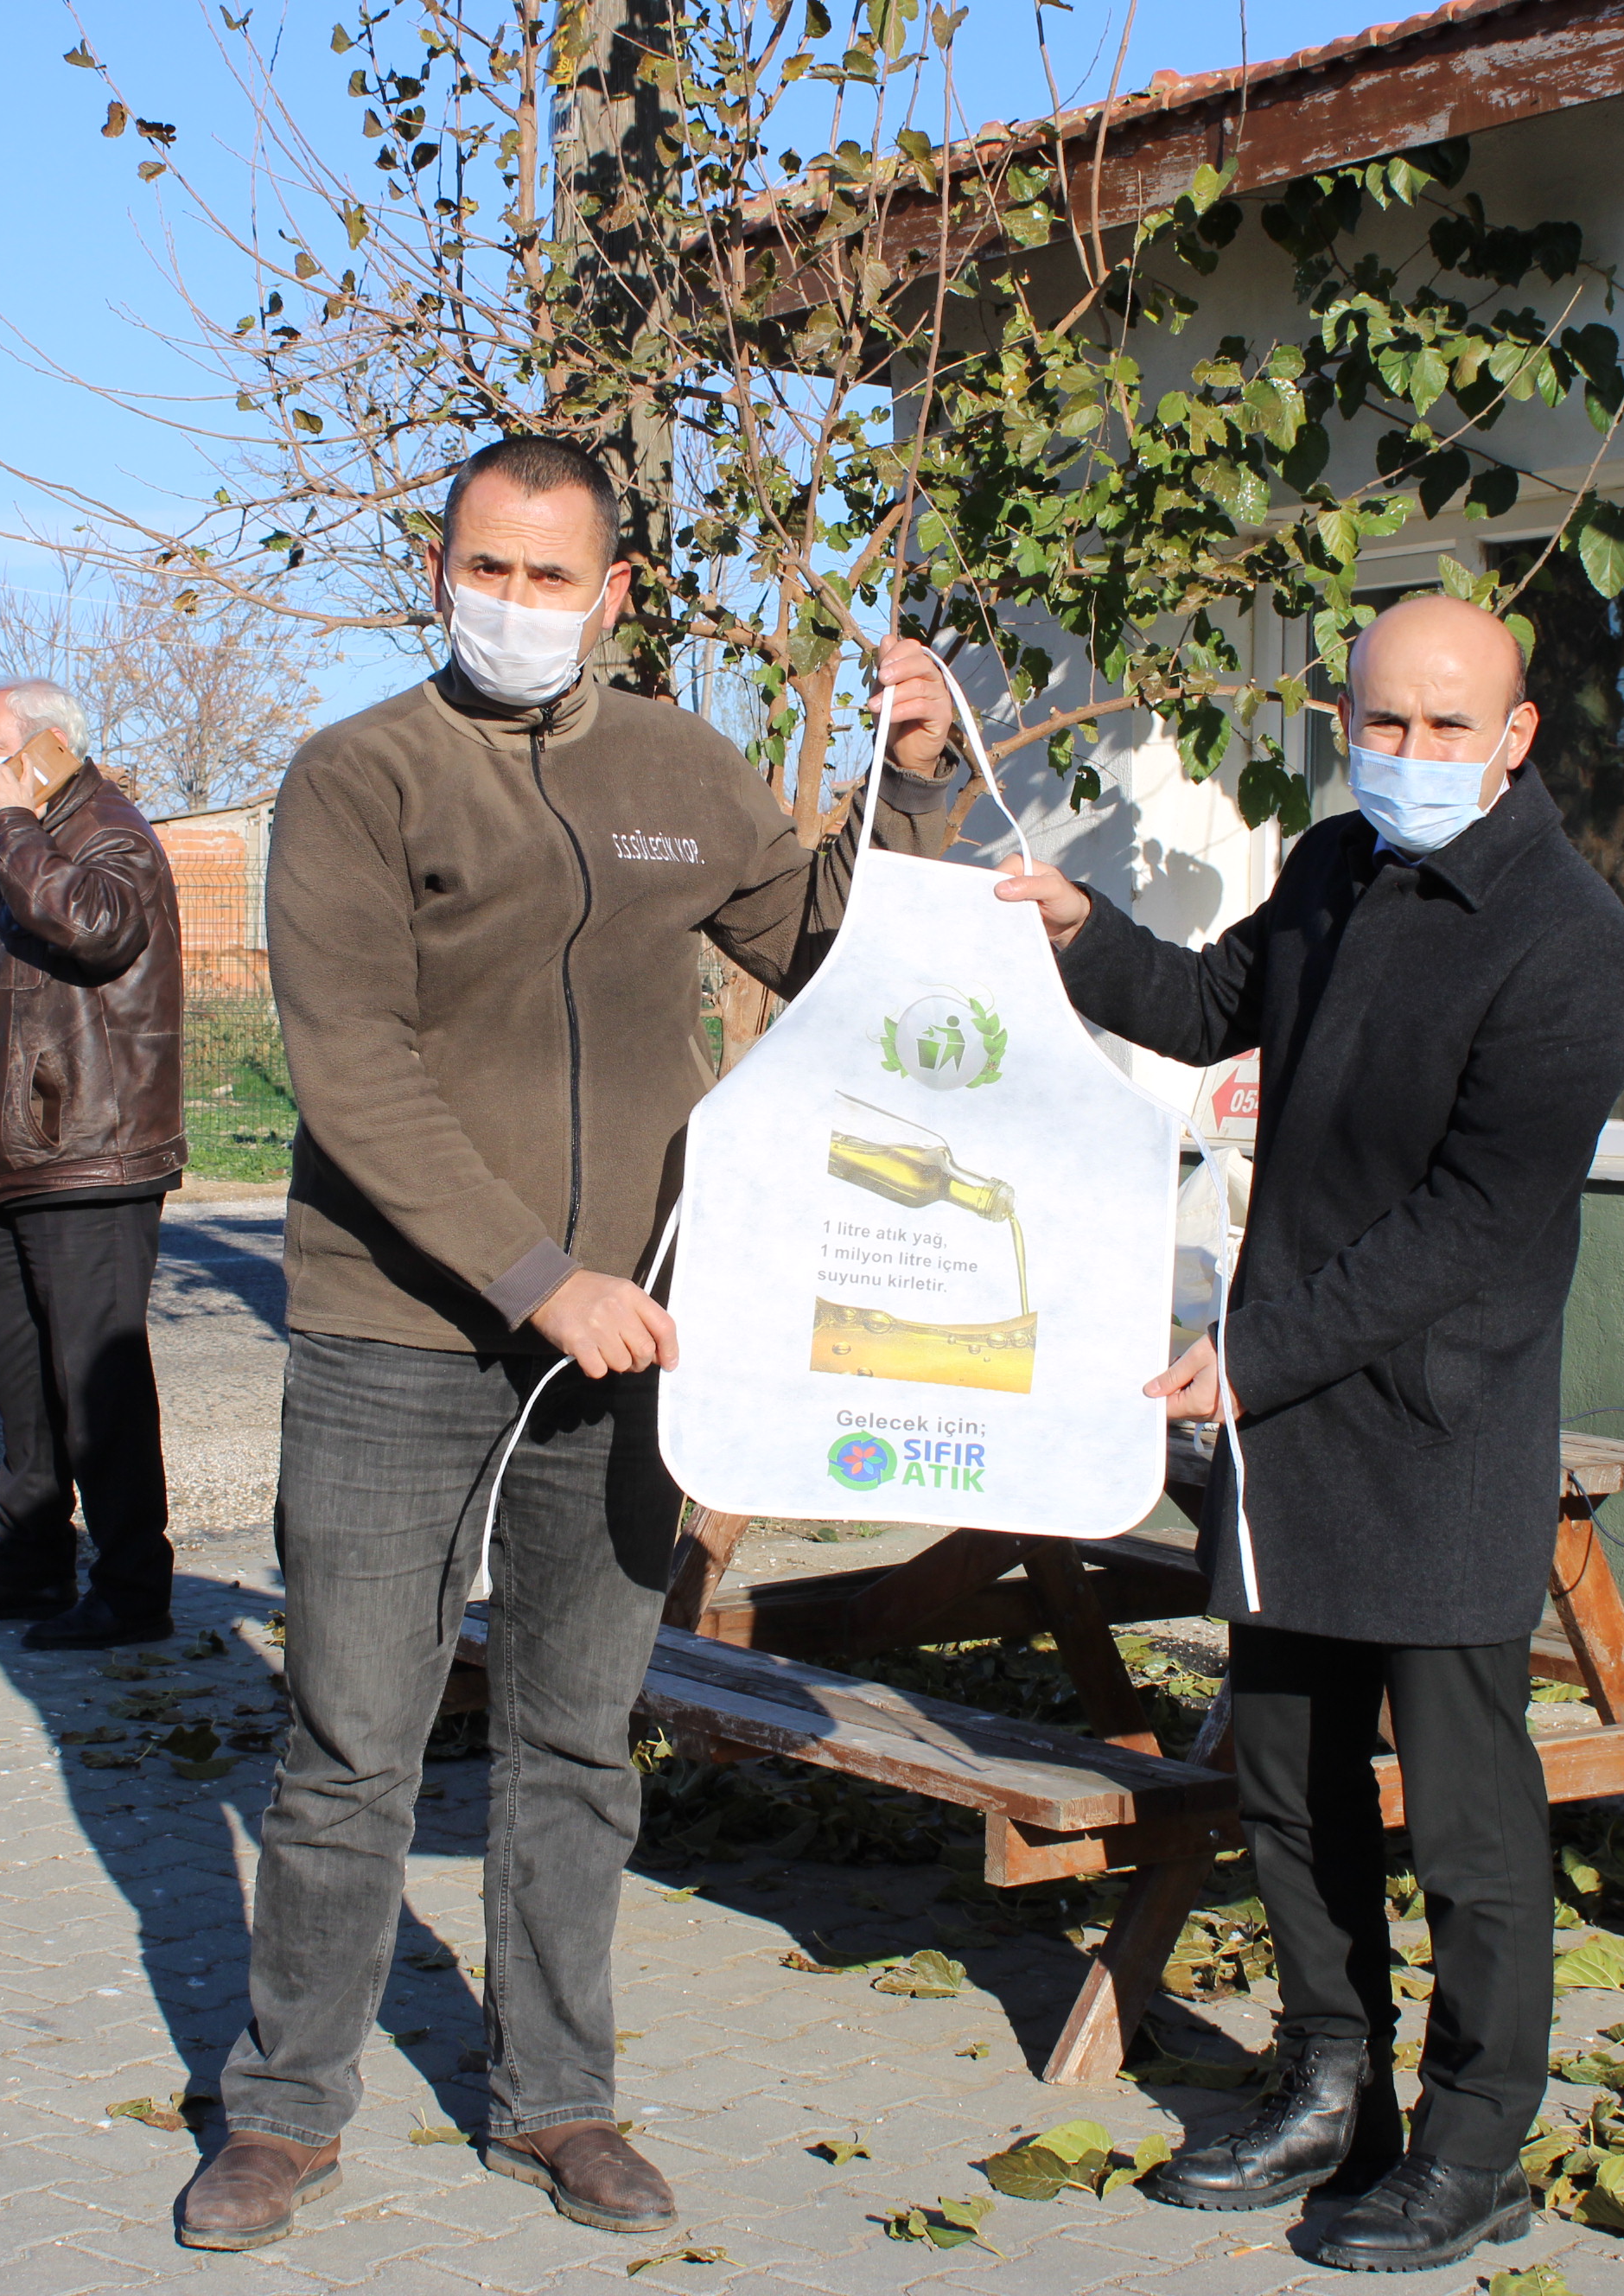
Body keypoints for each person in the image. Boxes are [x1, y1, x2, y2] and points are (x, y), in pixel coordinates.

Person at [178, 437, 964, 2252]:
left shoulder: (677, 764)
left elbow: (825, 940)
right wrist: (538, 1273)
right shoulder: (358, 774)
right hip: (402, 1332)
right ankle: (284, 2110)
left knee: (577, 1733)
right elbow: (353, 1070)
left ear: (615, 595)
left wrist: (909, 789)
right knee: (353, 1735)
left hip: (630, 1338)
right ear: (438, 570)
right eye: (488, 570)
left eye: (552, 579)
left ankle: (558, 2096)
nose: (516, 607)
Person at [976, 592, 1624, 2275]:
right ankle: (1329, 2085)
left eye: (1446, 724)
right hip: (1292, 1428)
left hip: (1438, 1425)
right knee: (1284, 1773)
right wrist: (1079, 923)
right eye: (1383, 720)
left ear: (1515, 737)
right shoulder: (1340, 862)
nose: (1409, 753)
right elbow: (1211, 1001)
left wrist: (1251, 1352)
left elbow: (1468, 1224)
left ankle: (1476, 2142)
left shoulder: (1570, 940)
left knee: (1473, 1821)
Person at [0, 679, 187, 1652]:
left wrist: (20, 825)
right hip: (18, 1159)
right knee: (24, 1382)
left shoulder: (105, 829)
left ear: (44, 746)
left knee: (97, 1383)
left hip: (92, 1154)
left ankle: (131, 1590)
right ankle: (32, 1565)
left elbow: (98, 926)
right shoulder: (22, 843)